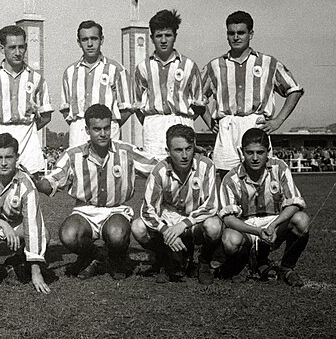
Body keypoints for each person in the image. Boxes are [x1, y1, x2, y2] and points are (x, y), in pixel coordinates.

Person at [36, 104, 157, 280]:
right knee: (68, 234)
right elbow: (53, 179)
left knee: (117, 234)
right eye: (97, 129)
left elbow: (156, 166)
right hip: (85, 210)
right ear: (87, 130)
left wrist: (187, 158)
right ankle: (94, 255)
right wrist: (38, 183)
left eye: (107, 128)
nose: (103, 134)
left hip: (116, 209)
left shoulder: (125, 151)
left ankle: (116, 259)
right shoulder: (73, 155)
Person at [202, 11, 304, 180]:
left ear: (251, 34)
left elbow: (294, 90)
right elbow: (196, 97)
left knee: (261, 178)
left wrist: (278, 121)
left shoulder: (268, 63)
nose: (236, 37)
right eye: (231, 33)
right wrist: (209, 121)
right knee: (226, 178)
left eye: (241, 32)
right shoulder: (215, 66)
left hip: (255, 125)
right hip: (227, 127)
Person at [219, 128, 310, 287]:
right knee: (230, 240)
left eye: (260, 152)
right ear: (242, 152)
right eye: (249, 153)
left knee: (302, 221)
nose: (255, 158)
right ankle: (245, 263)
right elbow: (228, 219)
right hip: (247, 228)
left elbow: (294, 203)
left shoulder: (279, 168)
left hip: (274, 224)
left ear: (268, 151)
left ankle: (287, 268)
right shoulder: (231, 178)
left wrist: (273, 226)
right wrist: (257, 232)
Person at [131, 124, 221, 284]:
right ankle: (164, 258)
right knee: (138, 227)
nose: (185, 155)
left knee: (213, 226)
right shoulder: (159, 170)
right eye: (178, 150)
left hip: (194, 221)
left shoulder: (206, 166)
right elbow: (147, 210)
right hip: (169, 221)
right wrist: (166, 231)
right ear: (168, 151)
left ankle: (204, 262)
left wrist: (183, 225)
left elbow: (210, 205)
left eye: (188, 148)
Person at [0, 25, 53, 175]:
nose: (17, 52)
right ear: (2, 49)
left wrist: (26, 126)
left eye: (21, 47)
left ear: (26, 47)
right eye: (12, 47)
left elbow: (46, 116)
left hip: (27, 140)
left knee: (29, 187)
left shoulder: (37, 79)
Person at [0, 133, 51, 294]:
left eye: (9, 157)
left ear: (17, 157)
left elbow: (32, 223)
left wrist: (36, 271)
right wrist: (3, 225)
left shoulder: (26, 185)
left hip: (15, 228)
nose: (3, 163)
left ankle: (16, 261)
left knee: (43, 232)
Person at [134, 10, 205, 158]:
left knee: (183, 171)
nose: (164, 40)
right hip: (154, 126)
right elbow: (138, 104)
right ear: (152, 38)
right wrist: (151, 121)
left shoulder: (189, 66)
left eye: (168, 35)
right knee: (155, 171)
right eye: (159, 36)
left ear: (175, 36)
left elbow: (199, 104)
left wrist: (184, 117)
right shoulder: (143, 68)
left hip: (182, 121)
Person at [60, 20, 133, 147]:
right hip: (79, 130)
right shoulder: (70, 72)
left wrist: (108, 124)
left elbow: (126, 108)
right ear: (79, 42)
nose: (89, 44)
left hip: (106, 129)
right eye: (85, 39)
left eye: (94, 38)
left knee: (108, 165)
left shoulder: (116, 69)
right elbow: (66, 109)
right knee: (79, 165)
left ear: (101, 40)